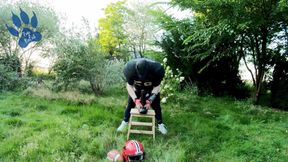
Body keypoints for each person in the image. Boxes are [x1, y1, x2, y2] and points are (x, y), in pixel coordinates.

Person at [117, 58, 167, 134]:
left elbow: (157, 86)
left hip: (151, 88)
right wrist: (136, 100)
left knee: (156, 105)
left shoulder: (157, 69)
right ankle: (125, 122)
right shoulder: (129, 68)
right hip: (136, 88)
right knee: (130, 104)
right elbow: (129, 85)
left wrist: (150, 100)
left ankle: (160, 124)